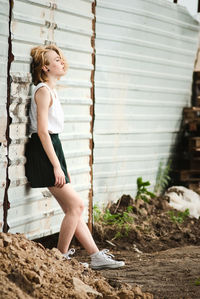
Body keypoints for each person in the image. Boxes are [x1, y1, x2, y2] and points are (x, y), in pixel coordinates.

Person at [25, 44, 125, 270]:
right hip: (43, 151)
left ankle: (96, 255)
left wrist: (61, 164)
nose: (61, 61)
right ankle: (60, 258)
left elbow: (52, 135)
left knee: (73, 209)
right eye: (56, 59)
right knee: (77, 206)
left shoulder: (51, 90)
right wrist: (56, 167)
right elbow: (42, 131)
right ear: (45, 68)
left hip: (52, 148)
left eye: (61, 58)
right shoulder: (42, 91)